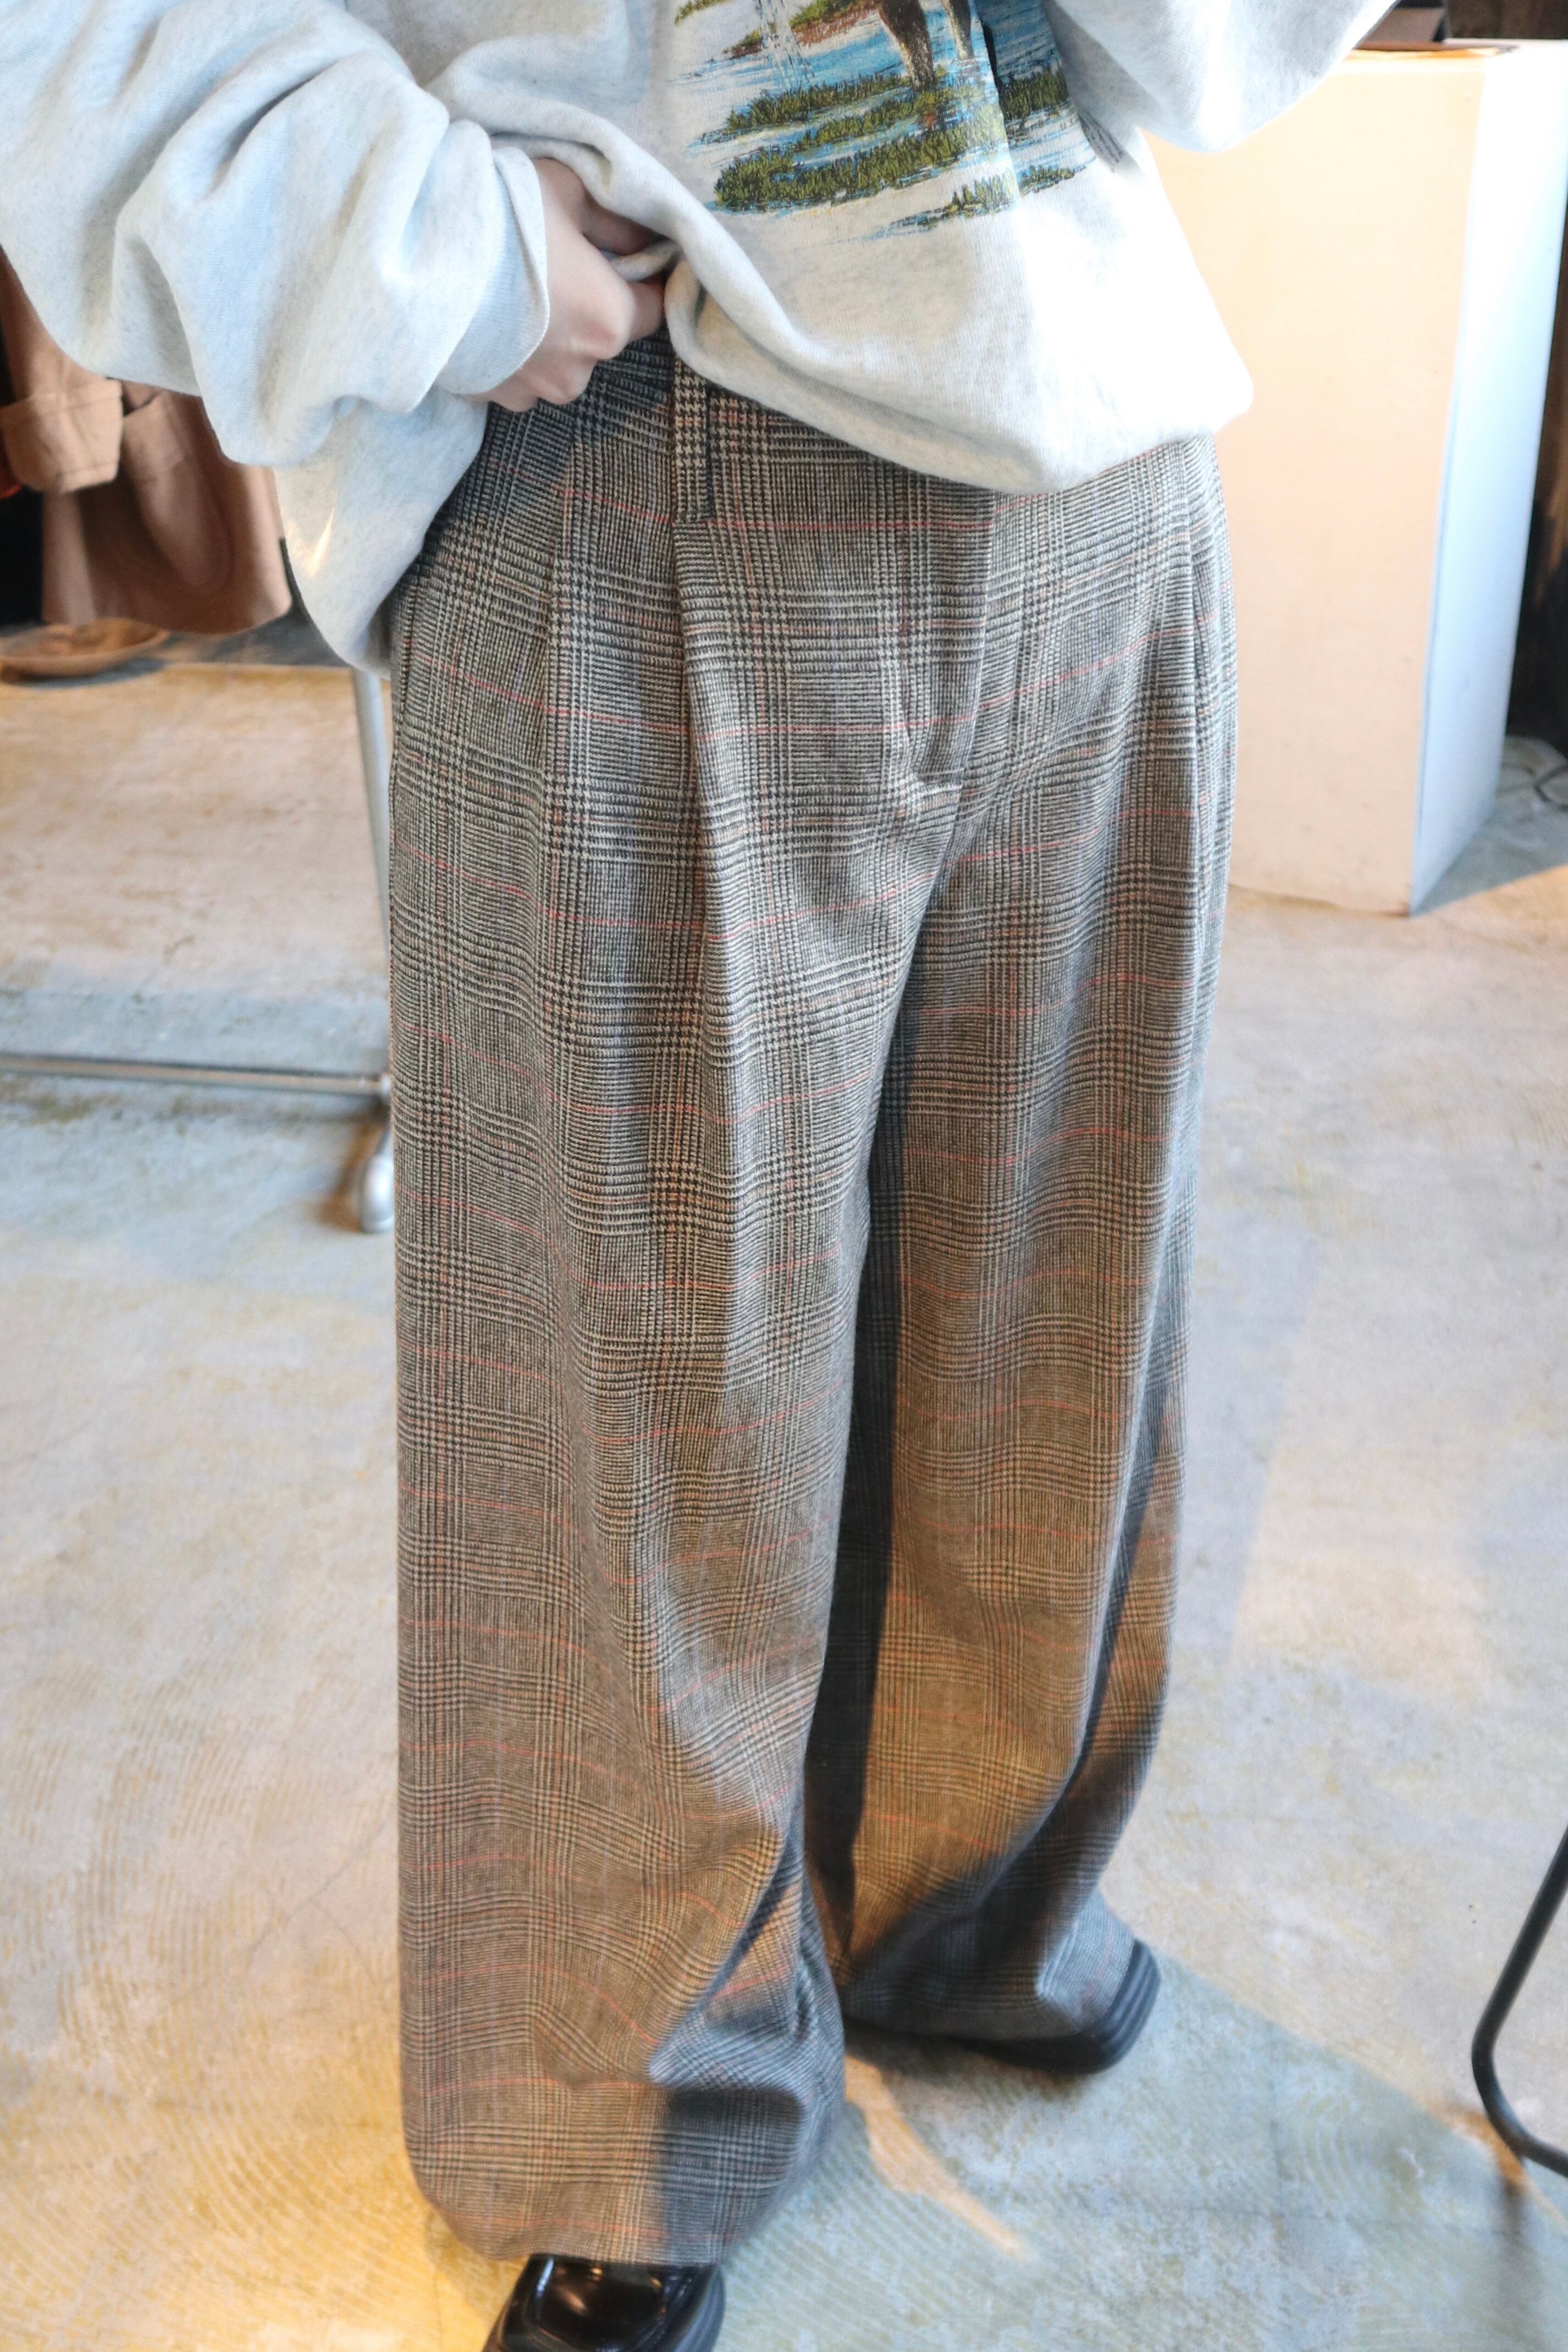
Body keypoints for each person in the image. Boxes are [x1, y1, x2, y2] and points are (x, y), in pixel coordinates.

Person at [0, 6, 1387, 2347]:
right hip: (632, 427)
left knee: (1046, 1310)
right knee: (632, 1390)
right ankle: (624, 2104)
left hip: (1095, 421)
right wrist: (421, 246)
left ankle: (966, 1901)